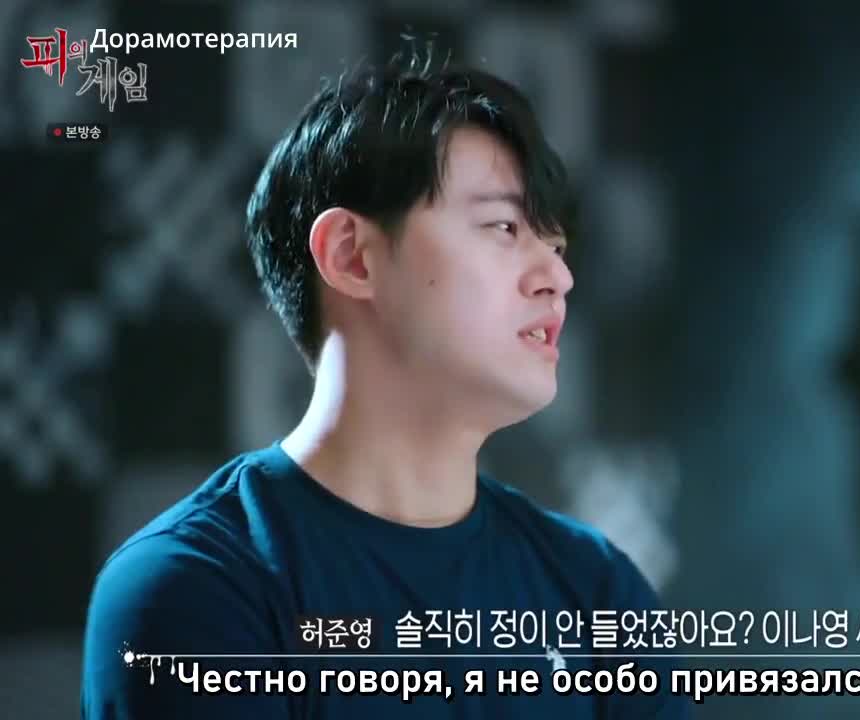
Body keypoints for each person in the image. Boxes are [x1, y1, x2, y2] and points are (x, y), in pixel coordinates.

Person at [81, 45, 689, 719]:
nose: (558, 277)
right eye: (504, 227)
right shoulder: (195, 589)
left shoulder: (597, 589)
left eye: (555, 246)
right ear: (352, 256)